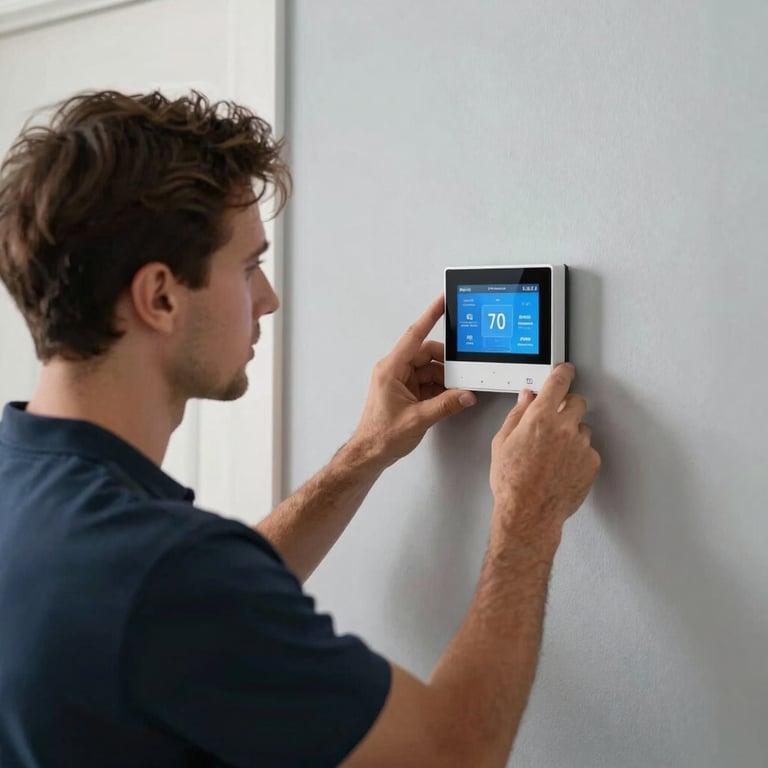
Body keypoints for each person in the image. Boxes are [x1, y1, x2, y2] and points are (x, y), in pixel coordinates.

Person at [0, 91, 600, 768]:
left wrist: (361, 455)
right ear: (160, 296)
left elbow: (188, 612)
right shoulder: (166, 573)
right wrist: (527, 520)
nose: (269, 299)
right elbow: (452, 753)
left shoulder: (32, 488)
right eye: (248, 267)